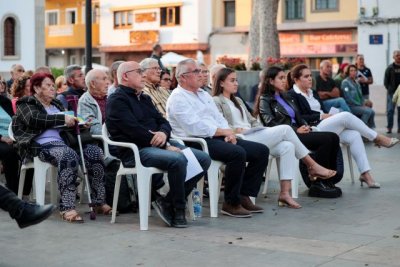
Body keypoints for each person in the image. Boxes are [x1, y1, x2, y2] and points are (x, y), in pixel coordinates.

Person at [212, 68, 337, 208]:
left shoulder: (238, 101)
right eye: (232, 80)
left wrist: (257, 127)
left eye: (236, 80)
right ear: (221, 83)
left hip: (254, 134)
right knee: (286, 129)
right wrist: (237, 130)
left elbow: (252, 120)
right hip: (239, 138)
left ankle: (285, 194)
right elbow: (220, 124)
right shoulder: (216, 101)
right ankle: (312, 165)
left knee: (288, 147)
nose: (236, 83)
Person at [106, 61, 211, 228]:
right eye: (139, 72)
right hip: (136, 151)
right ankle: (178, 210)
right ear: (125, 76)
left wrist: (163, 133)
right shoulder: (117, 100)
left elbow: (163, 121)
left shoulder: (144, 97)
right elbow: (133, 131)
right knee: (178, 159)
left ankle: (167, 202)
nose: (143, 75)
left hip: (158, 145)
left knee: (203, 159)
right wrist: (164, 146)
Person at [167, 59, 269, 217]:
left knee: (261, 151)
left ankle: (244, 195)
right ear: (182, 77)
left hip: (217, 136)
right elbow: (194, 127)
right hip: (195, 141)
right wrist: (224, 132)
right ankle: (231, 203)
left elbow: (218, 117)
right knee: (237, 153)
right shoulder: (178, 97)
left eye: (202, 71)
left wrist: (228, 131)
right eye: (196, 72)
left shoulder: (203, 94)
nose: (201, 74)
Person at [12, 72, 112, 223]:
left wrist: (79, 122)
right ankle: (67, 206)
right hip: (40, 144)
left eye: (53, 85)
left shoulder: (57, 104)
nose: (53, 89)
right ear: (37, 88)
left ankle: (98, 201)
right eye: (48, 86)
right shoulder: (26, 103)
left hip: (64, 142)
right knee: (68, 155)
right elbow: (34, 119)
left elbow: (65, 123)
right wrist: (61, 118)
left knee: (95, 152)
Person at [287, 64, 399, 189]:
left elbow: (322, 110)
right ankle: (377, 138)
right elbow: (299, 117)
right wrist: (321, 116)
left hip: (325, 127)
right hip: (312, 129)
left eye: (310, 76)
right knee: (345, 115)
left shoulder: (312, 92)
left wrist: (328, 115)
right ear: (296, 79)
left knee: (355, 135)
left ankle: (365, 174)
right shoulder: (292, 95)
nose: (310, 79)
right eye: (306, 76)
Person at [254, 66, 342, 198]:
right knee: (327, 139)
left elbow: (299, 117)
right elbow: (271, 124)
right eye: (281, 78)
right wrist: (296, 129)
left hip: (299, 132)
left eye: (284, 77)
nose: (284, 80)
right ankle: (318, 183)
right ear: (271, 81)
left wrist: (306, 126)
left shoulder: (286, 96)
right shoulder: (265, 100)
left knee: (334, 137)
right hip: (285, 136)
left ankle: (326, 181)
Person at [0, 94, 33, 196]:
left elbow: (14, 120)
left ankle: (23, 189)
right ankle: (13, 191)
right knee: (9, 152)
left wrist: (18, 135)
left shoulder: (5, 101)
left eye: (1, 82)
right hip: (1, 138)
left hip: (11, 135)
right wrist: (2, 138)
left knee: (31, 149)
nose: (1, 84)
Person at [78, 69, 109, 135]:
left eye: (107, 79)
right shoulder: (85, 101)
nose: (108, 82)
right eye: (104, 79)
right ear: (93, 84)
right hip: (101, 141)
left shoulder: (110, 97)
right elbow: (94, 128)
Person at [384, 50, 400, 134]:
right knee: (390, 110)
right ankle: (389, 127)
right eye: (397, 55)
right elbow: (385, 82)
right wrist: (390, 89)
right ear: (393, 57)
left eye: (399, 55)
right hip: (392, 93)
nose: (398, 57)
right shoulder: (390, 68)